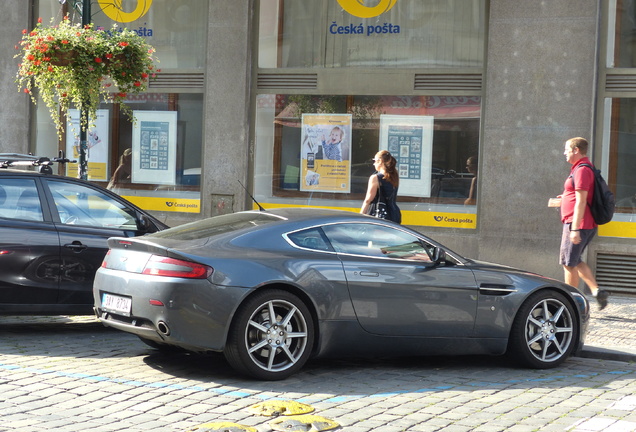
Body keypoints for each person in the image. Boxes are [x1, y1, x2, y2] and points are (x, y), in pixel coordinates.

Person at [559, 137, 609, 310]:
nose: (564, 152)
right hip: (582, 223)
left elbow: (581, 201)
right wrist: (565, 197)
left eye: (567, 149)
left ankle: (570, 302)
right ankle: (596, 291)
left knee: (568, 263)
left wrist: (575, 228)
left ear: (576, 150)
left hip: (578, 223)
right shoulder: (581, 168)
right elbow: (579, 195)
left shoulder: (581, 170)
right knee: (574, 259)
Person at [360, 150, 401, 224]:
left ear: (380, 161)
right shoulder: (394, 176)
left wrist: (361, 216)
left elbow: (368, 200)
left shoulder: (375, 178)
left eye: (375, 161)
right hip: (393, 214)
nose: (374, 164)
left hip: (379, 214)